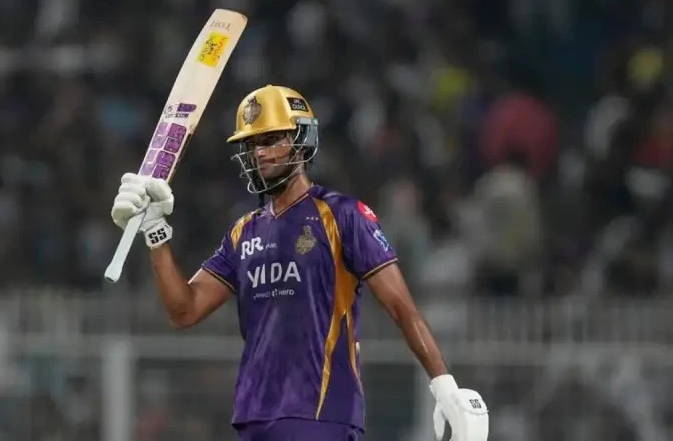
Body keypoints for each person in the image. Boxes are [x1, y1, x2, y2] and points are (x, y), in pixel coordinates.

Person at [110, 85, 488, 441]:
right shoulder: (242, 232)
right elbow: (184, 311)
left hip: (320, 413)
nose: (260, 153)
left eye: (271, 139)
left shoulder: (343, 215)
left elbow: (402, 308)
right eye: (252, 144)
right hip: (254, 415)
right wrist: (156, 231)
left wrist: (443, 384)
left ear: (301, 139)